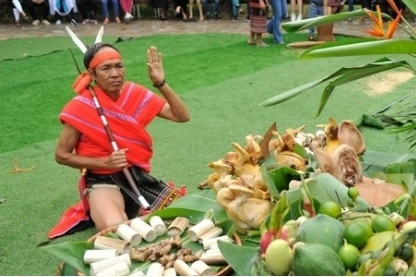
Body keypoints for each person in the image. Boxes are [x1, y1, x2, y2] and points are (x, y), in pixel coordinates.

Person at [51, 43, 190, 234]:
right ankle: (107, 207)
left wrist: (161, 83)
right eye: (106, 68)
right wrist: (104, 162)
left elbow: (181, 116)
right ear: (92, 75)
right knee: (115, 228)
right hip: (101, 179)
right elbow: (61, 155)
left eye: (119, 66)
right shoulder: (80, 107)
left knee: (185, 214)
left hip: (136, 176)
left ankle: (130, 207)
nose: (115, 73)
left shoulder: (134, 93)